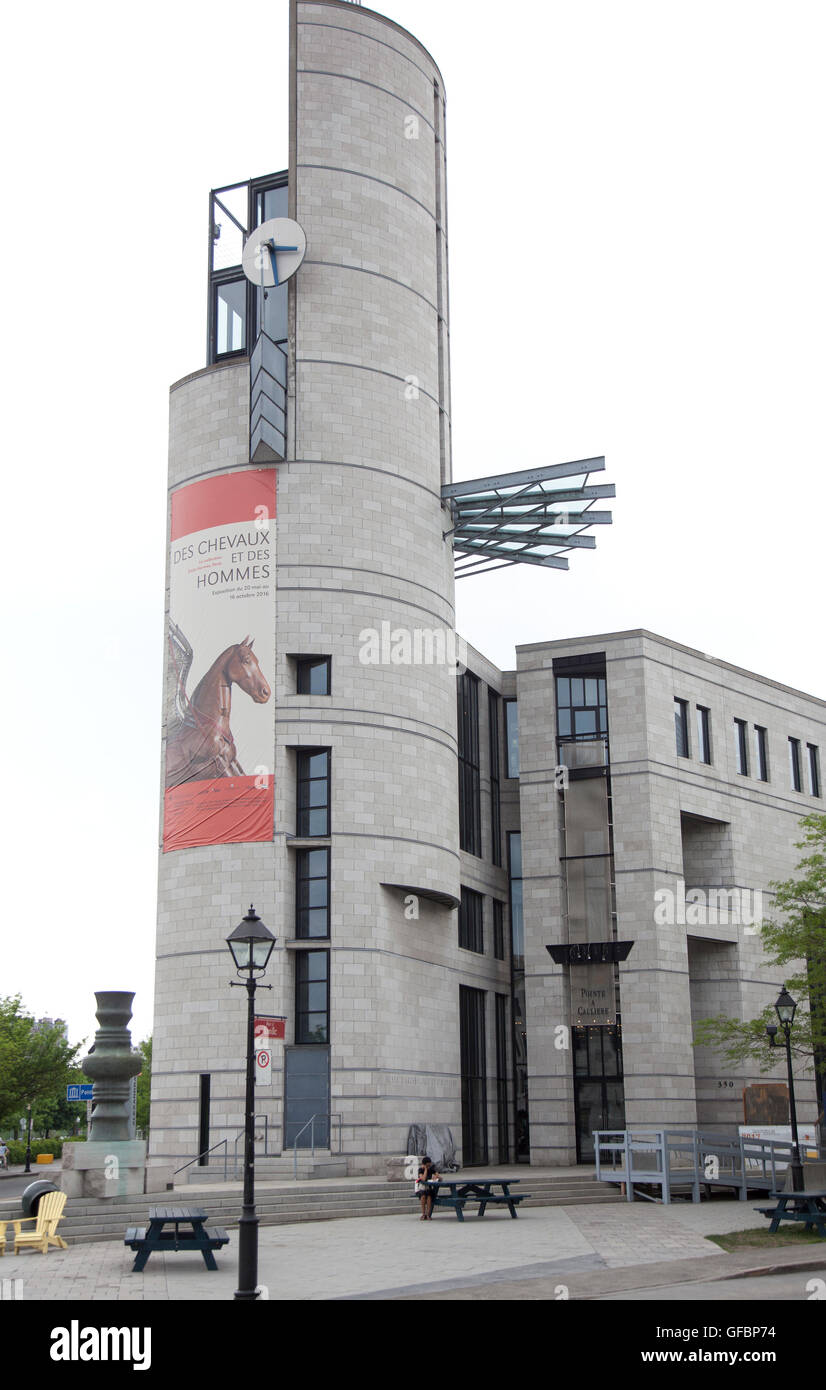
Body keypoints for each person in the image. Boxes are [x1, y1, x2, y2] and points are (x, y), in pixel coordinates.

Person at [416, 1154, 441, 1220]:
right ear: (424, 1164)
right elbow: (423, 1179)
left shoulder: (431, 1169)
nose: (428, 1167)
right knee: (423, 1196)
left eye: (429, 1165)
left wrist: (436, 1177)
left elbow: (440, 1177)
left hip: (429, 1188)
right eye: (427, 1165)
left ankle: (428, 1214)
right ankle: (423, 1214)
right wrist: (426, 1170)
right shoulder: (420, 1170)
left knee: (429, 1197)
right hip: (422, 1188)